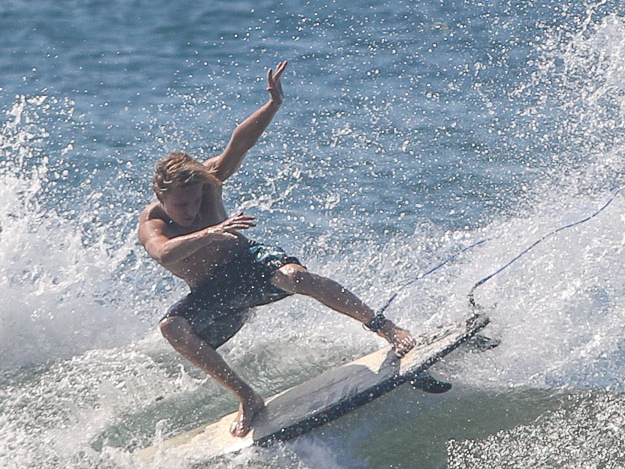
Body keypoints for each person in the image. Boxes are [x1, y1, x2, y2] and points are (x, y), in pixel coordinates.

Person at [137, 61, 416, 437]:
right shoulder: (152, 222)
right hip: (214, 294)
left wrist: (273, 106)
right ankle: (247, 397)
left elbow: (239, 143)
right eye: (180, 205)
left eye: (195, 200)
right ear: (160, 196)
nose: (190, 210)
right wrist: (212, 232)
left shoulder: (209, 181)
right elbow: (165, 254)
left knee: (295, 277)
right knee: (172, 327)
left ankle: (387, 328)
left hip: (247, 264)